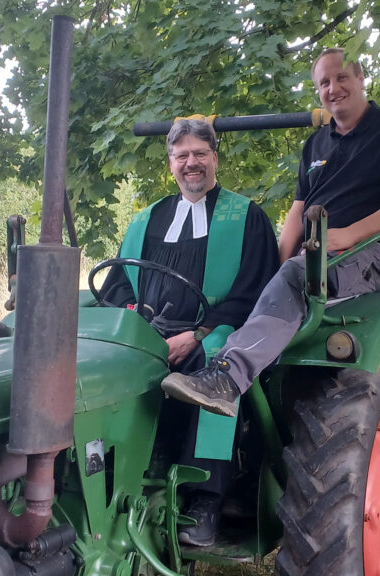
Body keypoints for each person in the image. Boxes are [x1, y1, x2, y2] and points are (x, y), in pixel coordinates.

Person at [161, 47, 380, 419]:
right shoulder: (316, 143)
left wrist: (349, 235)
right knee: (276, 277)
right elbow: (296, 212)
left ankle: (226, 379)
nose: (333, 88)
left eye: (341, 78)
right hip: (316, 254)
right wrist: (269, 270)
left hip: (369, 254)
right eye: (324, 82)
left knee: (296, 275)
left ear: (361, 79)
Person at [100, 118, 279, 546]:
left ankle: (204, 501)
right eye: (182, 156)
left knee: (216, 363)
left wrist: (198, 333)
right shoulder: (147, 219)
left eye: (200, 154)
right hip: (149, 330)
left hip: (212, 331)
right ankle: (114, 478)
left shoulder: (246, 217)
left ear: (215, 159)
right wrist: (136, 323)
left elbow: (256, 290)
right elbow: (119, 282)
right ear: (171, 165)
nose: (191, 163)